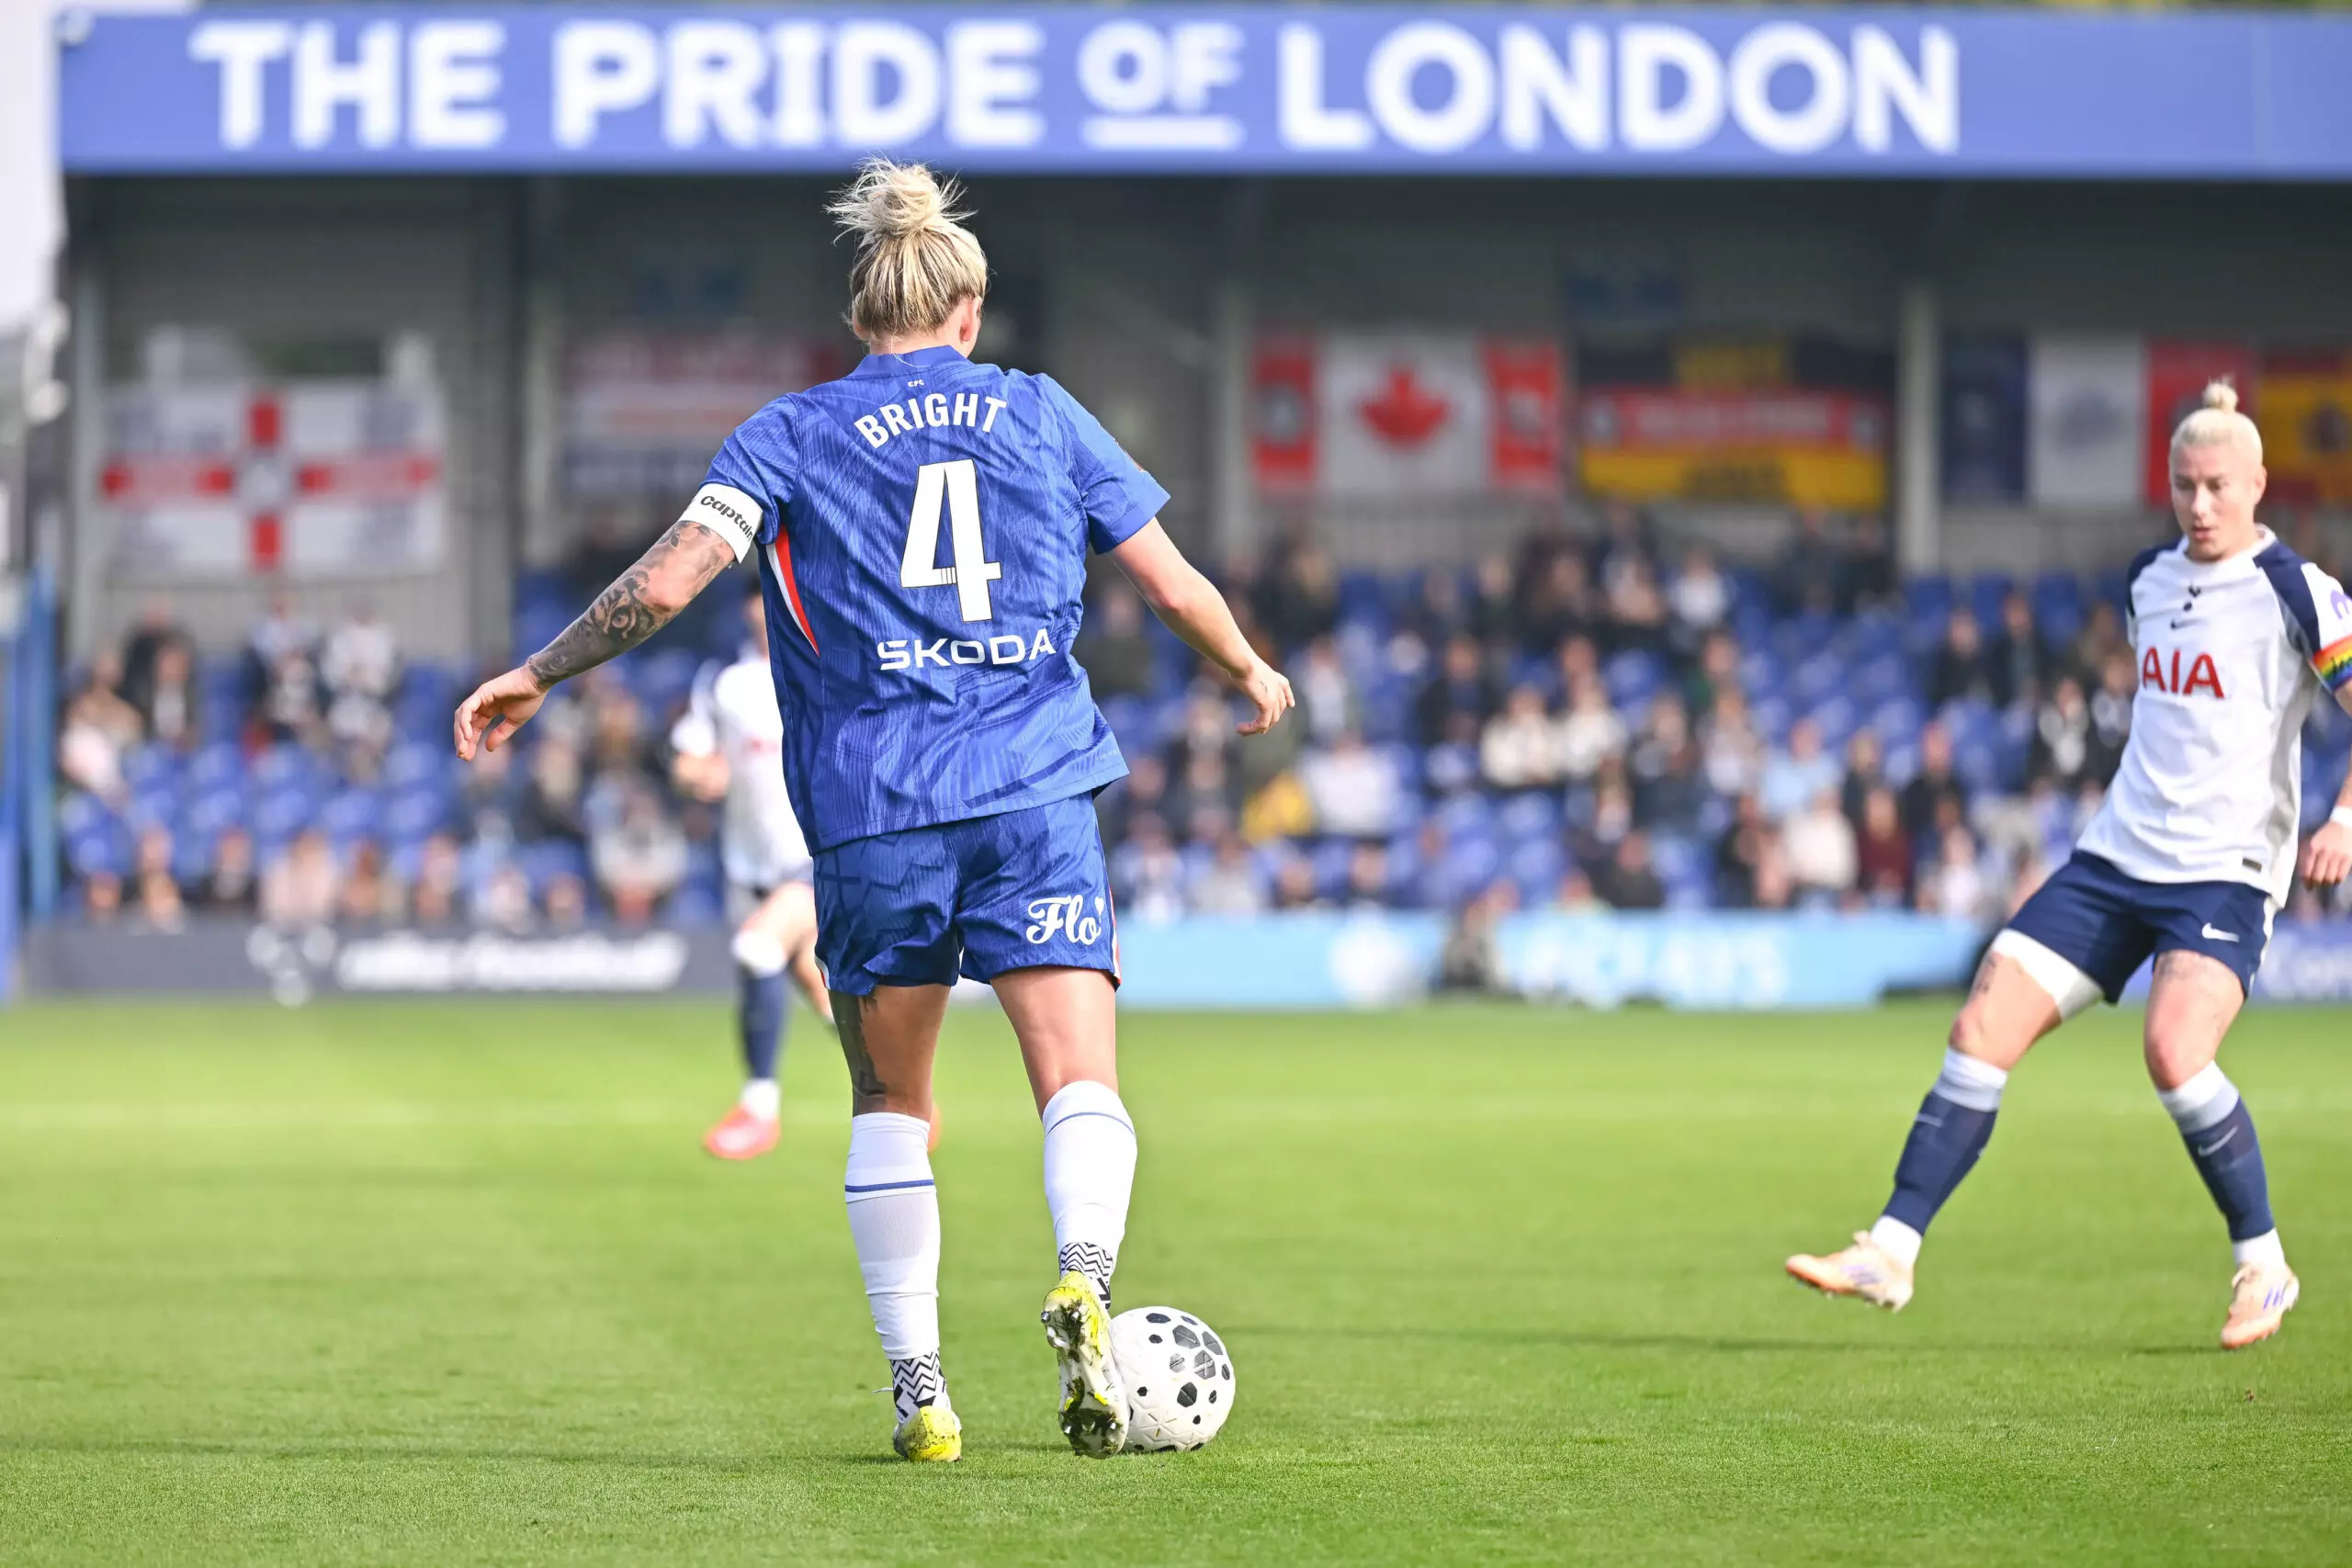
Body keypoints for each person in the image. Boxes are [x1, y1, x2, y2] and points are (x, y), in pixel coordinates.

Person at [453, 161, 1291, 1464]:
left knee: (892, 1100)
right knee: (1077, 1076)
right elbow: (1170, 582)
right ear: (969, 312)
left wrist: (539, 668)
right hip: (1033, 788)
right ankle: (1086, 1277)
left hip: (872, 809)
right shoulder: (1042, 411)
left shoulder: (789, 431)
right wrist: (1245, 665)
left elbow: (672, 579)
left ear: (861, 322)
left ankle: (921, 1391)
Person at [1787, 383, 2350, 1350]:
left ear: (2258, 484)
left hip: (2222, 874)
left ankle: (2262, 1264)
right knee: (1977, 1027)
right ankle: (1891, 1248)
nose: (2200, 505)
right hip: (2114, 857)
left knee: (2174, 1052)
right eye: (2184, 486)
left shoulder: (2297, 591)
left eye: (2219, 485)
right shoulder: (2145, 580)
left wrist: (2344, 814)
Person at [671, 581, 835, 1161]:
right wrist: (699, 776)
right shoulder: (726, 684)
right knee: (827, 994)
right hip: (752, 864)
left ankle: (758, 1109)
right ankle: (907, 1096)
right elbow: (689, 758)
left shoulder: (830, 666)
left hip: (819, 857)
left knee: (757, 949)